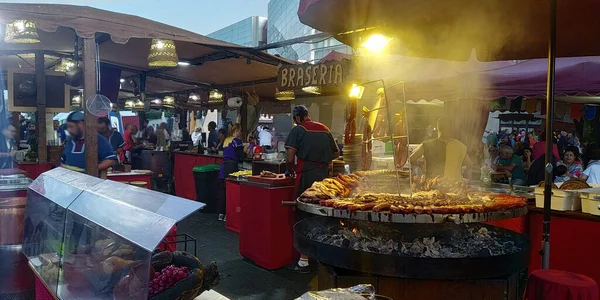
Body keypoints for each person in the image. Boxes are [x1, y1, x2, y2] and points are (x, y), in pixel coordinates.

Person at [285, 105, 339, 273]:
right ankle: (322, 255)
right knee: (322, 214)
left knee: (303, 214)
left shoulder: (298, 130)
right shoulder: (325, 129)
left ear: (298, 118)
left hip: (306, 177)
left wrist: (292, 170)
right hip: (324, 179)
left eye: (295, 119)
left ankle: (304, 260)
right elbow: (336, 154)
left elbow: (290, 157)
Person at [217, 124, 245, 221]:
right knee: (231, 191)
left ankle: (221, 214)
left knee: (224, 191)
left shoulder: (226, 140)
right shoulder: (236, 141)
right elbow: (241, 155)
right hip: (232, 166)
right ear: (237, 131)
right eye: (240, 131)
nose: (240, 133)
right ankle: (229, 215)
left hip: (223, 166)